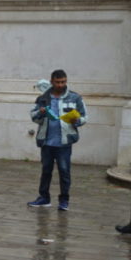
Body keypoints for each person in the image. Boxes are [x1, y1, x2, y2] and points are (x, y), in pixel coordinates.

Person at [28, 69, 87, 210]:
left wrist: (76, 120)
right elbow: (33, 116)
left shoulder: (75, 98)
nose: (61, 85)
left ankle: (64, 200)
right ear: (51, 82)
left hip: (64, 142)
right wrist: (41, 113)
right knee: (46, 170)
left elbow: (84, 117)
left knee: (64, 171)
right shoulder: (43, 98)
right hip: (46, 141)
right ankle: (44, 198)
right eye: (58, 82)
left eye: (63, 82)